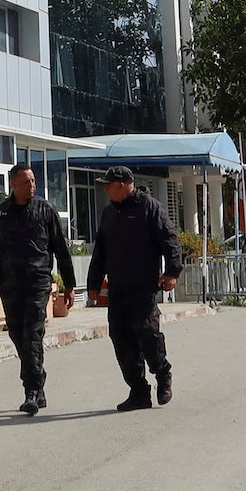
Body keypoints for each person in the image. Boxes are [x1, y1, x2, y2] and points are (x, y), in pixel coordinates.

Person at [86, 166, 183, 412]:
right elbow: (100, 252)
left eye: (108, 185)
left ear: (121, 185)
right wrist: (93, 284)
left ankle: (162, 374)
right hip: (118, 288)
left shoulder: (149, 207)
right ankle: (139, 391)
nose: (105, 189)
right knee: (121, 338)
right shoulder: (109, 213)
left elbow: (170, 240)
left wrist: (172, 272)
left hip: (143, 287)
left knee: (148, 334)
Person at [0, 160, 76, 417]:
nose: (32, 186)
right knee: (18, 334)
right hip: (10, 285)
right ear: (13, 184)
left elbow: (61, 250)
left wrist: (69, 285)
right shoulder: (0, 214)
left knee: (33, 333)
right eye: (26, 182)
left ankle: (32, 391)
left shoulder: (45, 210)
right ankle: (38, 380)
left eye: (33, 181)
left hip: (38, 282)